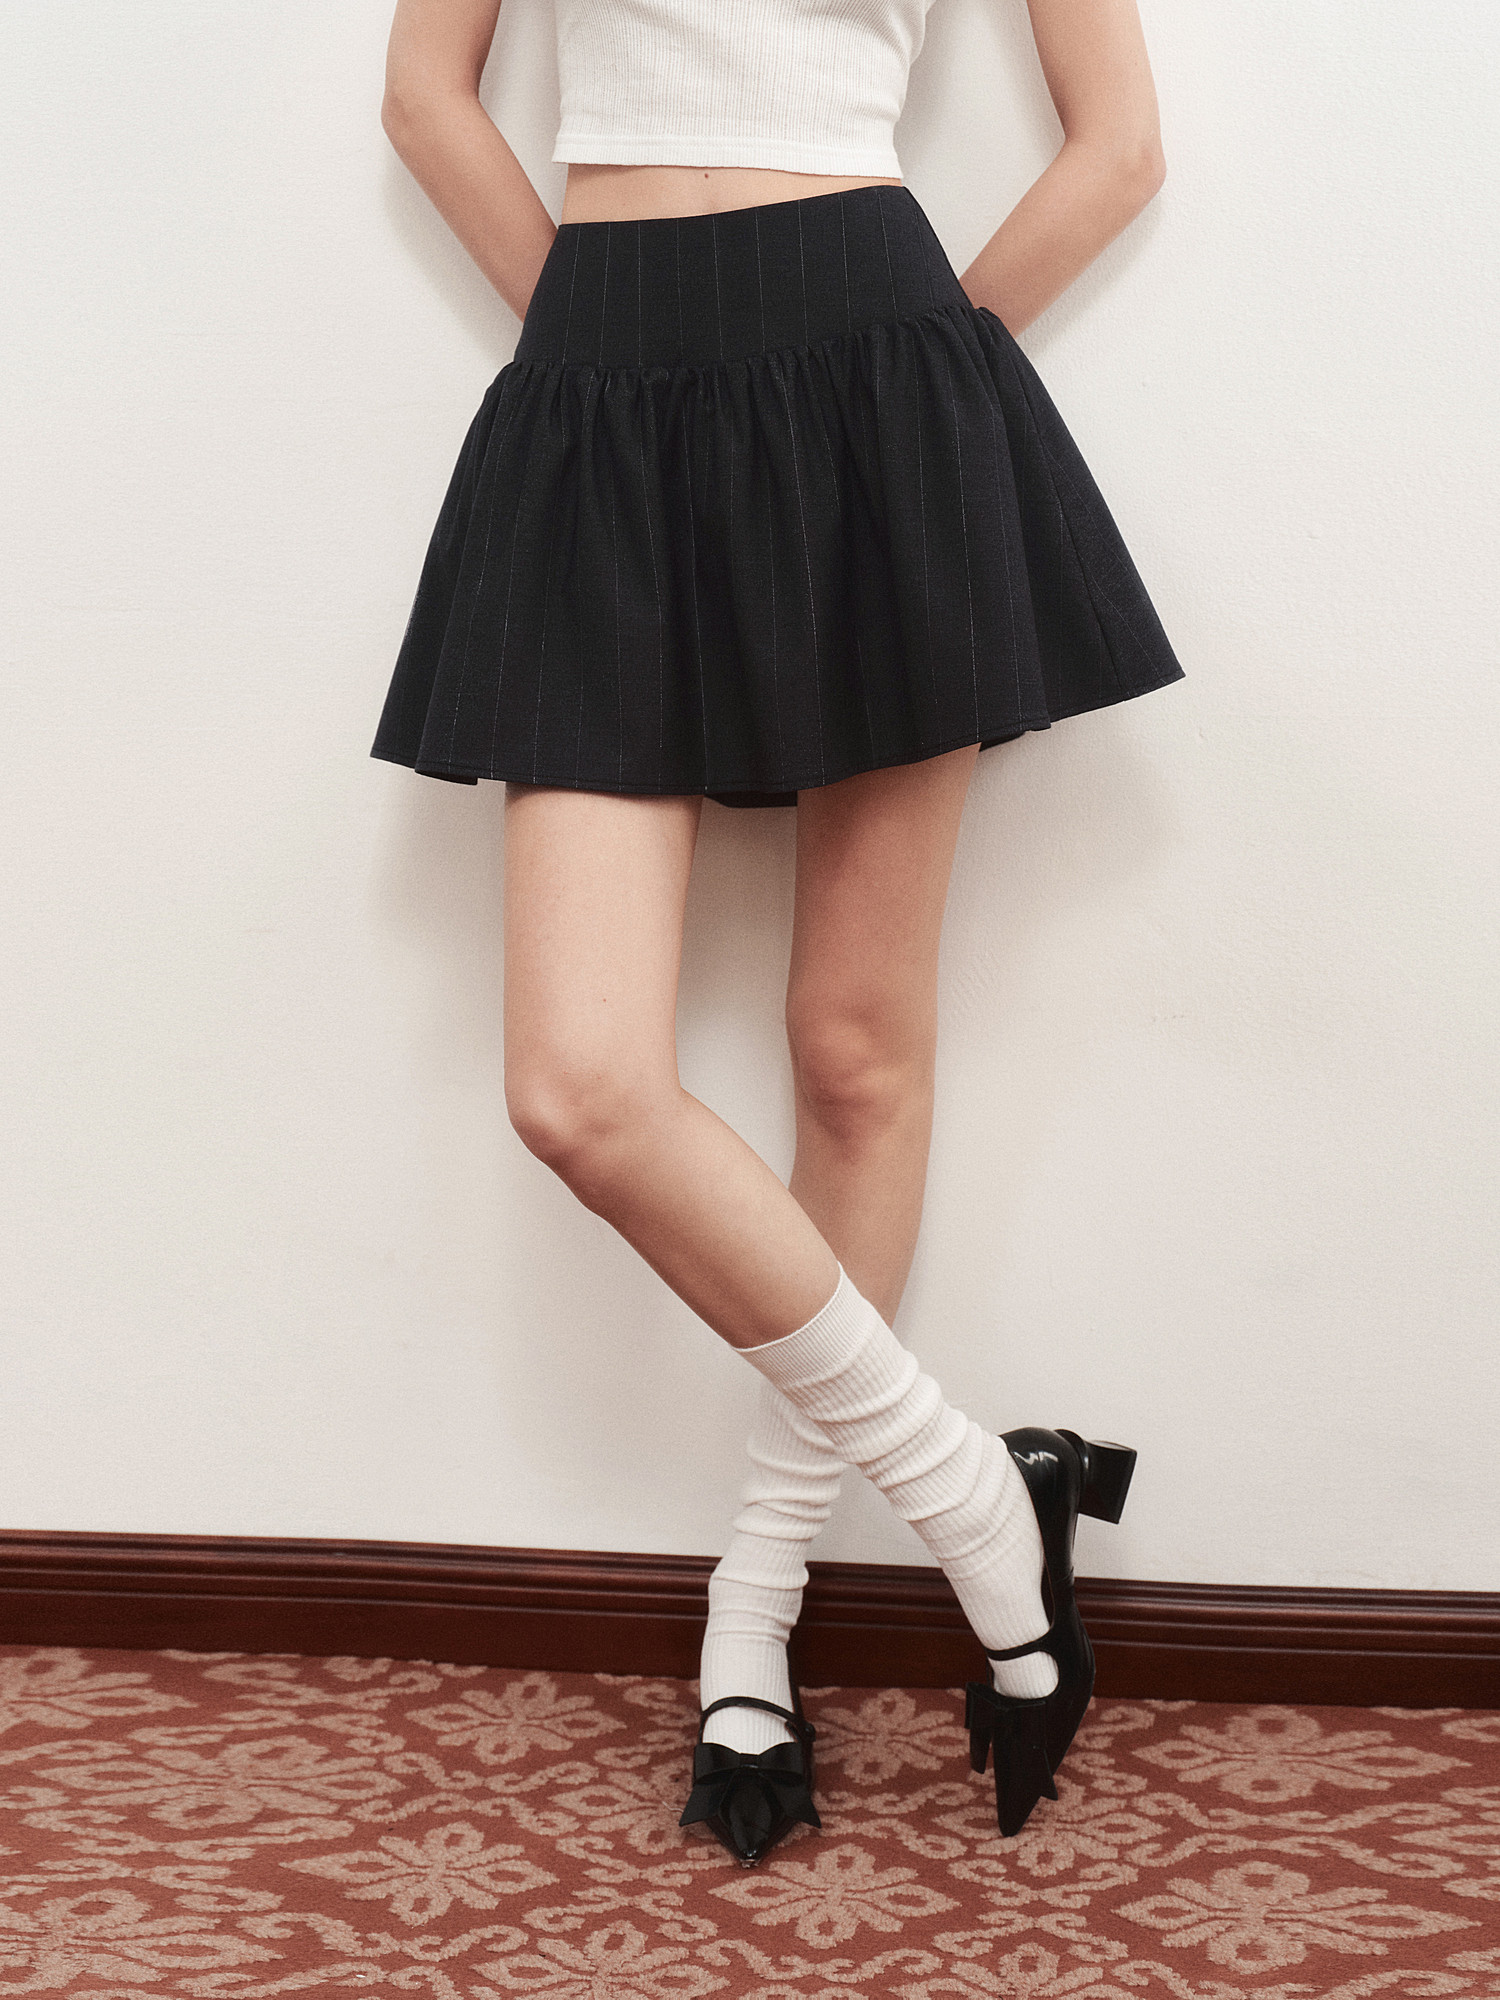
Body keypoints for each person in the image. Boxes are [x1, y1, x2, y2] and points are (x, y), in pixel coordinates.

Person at [372, 0, 1182, 1862]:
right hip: (604, 384)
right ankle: (983, 1497)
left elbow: (1120, 144)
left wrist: (922, 377)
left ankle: (754, 1608)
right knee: (580, 1088)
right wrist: (596, 345)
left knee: (855, 1049)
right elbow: (425, 95)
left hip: (875, 365)